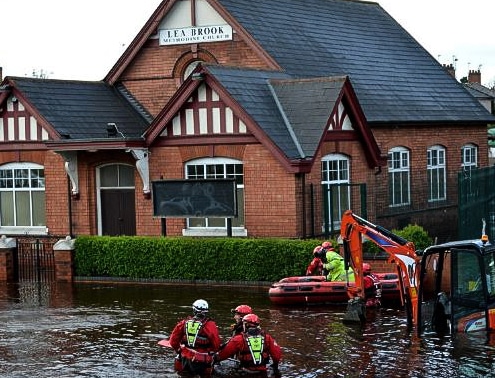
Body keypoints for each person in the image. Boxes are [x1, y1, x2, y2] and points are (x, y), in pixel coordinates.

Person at [214, 313, 282, 376]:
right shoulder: (267, 337)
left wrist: (215, 360)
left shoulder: (239, 339)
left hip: (245, 372)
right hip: (263, 372)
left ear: (246, 325)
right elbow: (277, 354)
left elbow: (225, 353)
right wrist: (275, 365)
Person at [169, 299, 221, 377]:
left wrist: (178, 349)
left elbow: (173, 341)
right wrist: (213, 352)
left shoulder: (184, 323)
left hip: (185, 357)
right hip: (203, 360)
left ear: (194, 310)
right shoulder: (211, 325)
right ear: (206, 311)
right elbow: (216, 344)